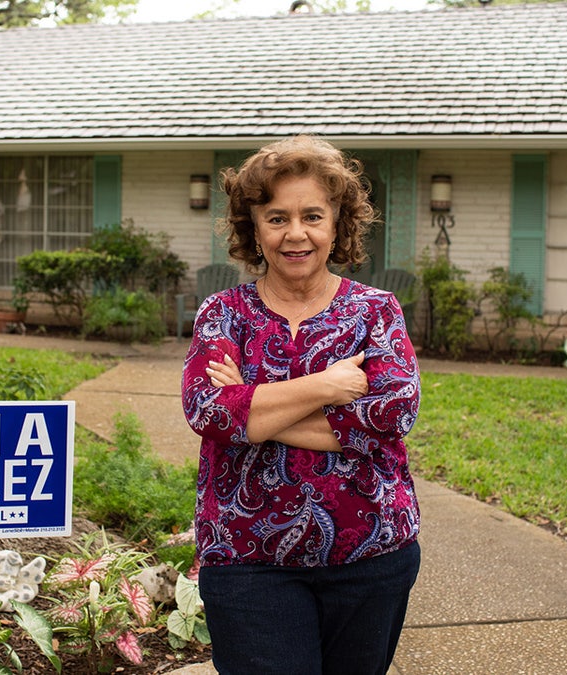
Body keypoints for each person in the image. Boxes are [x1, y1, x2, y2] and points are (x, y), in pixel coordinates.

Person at [180, 135, 422, 675]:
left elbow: (391, 415)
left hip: (372, 554)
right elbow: (208, 413)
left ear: (338, 223)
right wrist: (327, 387)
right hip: (247, 559)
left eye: (312, 215)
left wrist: (255, 413)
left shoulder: (376, 312)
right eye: (276, 217)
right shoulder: (223, 314)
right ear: (254, 227)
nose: (296, 233)